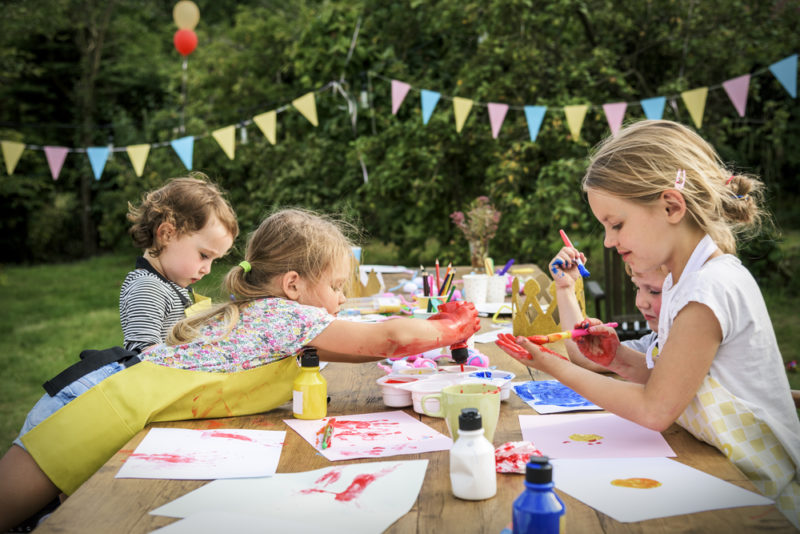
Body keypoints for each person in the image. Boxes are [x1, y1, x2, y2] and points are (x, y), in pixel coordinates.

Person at [0, 208, 481, 531]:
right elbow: (388, 339)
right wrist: (450, 326)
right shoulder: (287, 316)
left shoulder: (271, 313)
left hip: (112, 399)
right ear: (293, 285)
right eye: (337, 286)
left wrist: (428, 332)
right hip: (96, 406)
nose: (342, 300)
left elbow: (363, 351)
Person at [498, 120, 800, 528]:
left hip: (763, 499)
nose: (607, 241)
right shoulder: (681, 283)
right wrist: (620, 359)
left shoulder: (709, 289)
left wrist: (554, 366)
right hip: (720, 472)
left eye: (616, 224)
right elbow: (672, 379)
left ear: (672, 207)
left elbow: (655, 409)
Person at [121, 174, 239, 352]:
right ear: (167, 234)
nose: (207, 270)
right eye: (204, 256)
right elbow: (141, 355)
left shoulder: (169, 286)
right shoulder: (148, 288)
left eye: (214, 260)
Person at [549, 246, 665, 372]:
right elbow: (586, 358)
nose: (640, 303)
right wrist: (566, 287)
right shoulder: (656, 341)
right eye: (637, 288)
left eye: (654, 291)